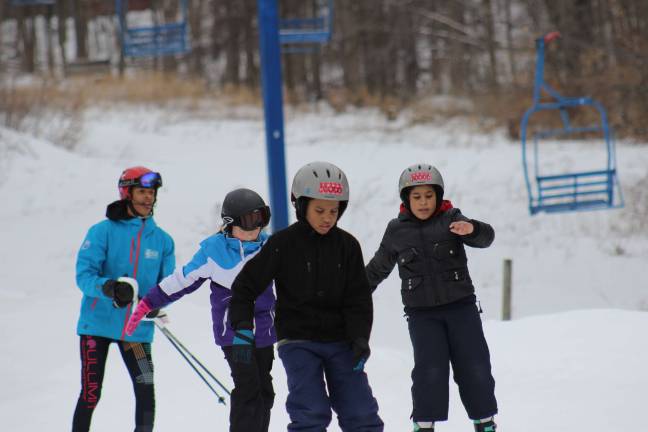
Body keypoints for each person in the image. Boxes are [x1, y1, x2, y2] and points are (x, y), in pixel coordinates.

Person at [228, 161, 384, 432]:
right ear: (301, 206)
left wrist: (360, 337)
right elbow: (245, 287)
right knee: (310, 411)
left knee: (361, 412)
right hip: (298, 341)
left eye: (334, 211)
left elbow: (358, 299)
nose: (327, 218)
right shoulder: (282, 244)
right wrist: (242, 327)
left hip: (341, 341)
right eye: (320, 210)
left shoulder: (347, 246)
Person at [125, 188, 276, 432]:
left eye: (261, 219)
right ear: (229, 223)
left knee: (265, 392)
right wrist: (147, 303)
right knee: (248, 389)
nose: (255, 228)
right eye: (248, 222)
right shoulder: (214, 251)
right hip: (234, 332)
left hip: (265, 331)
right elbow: (181, 281)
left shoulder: (270, 247)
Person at [365, 163, 498, 432]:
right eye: (417, 197)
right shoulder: (396, 231)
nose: (424, 202)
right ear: (406, 199)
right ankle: (424, 426)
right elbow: (377, 268)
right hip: (423, 316)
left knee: (475, 367)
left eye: (429, 195)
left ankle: (485, 423)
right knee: (430, 372)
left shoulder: (452, 219)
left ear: (438, 196)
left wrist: (471, 229)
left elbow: (487, 237)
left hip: (462, 310)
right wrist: (350, 296)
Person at [73, 166, 175, 432]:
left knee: (145, 392)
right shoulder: (101, 232)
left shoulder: (163, 241)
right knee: (91, 392)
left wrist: (156, 304)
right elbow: (84, 276)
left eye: (151, 193)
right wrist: (110, 288)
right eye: (142, 192)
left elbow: (168, 286)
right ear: (126, 193)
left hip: (137, 332)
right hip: (96, 327)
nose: (148, 198)